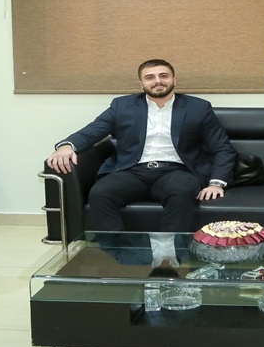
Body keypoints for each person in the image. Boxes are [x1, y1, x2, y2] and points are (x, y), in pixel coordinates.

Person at [45, 59, 236, 233]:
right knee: (100, 193)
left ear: (174, 80)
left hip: (177, 171)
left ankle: (168, 254)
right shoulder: (122, 106)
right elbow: (93, 131)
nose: (157, 81)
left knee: (182, 192)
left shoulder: (198, 107)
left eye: (164, 76)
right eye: (150, 77)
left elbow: (222, 148)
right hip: (132, 170)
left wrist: (216, 183)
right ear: (141, 83)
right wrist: (67, 146)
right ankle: (119, 253)